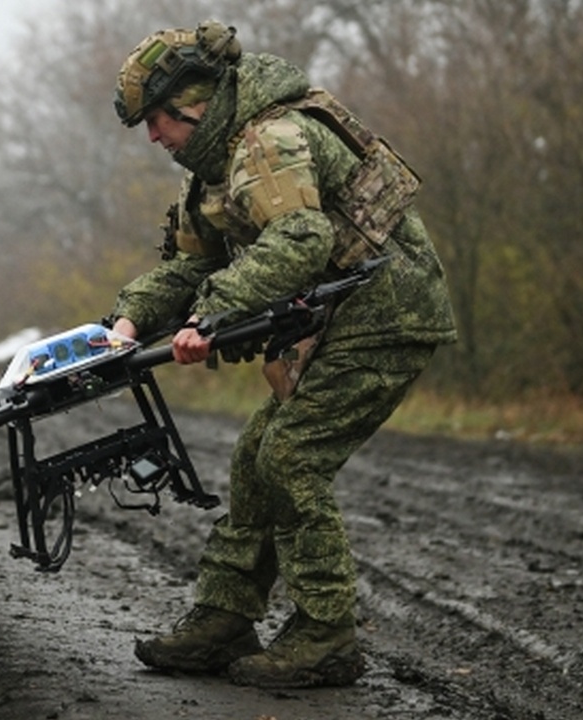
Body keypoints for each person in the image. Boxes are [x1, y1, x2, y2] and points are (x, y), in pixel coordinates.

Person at [106, 21, 458, 689]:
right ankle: (225, 616)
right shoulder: (210, 169)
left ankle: (326, 633)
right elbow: (188, 267)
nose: (153, 137)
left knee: (290, 456)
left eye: (156, 120)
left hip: (389, 311)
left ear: (196, 101)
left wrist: (213, 313)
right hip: (334, 319)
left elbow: (300, 237)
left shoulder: (272, 139)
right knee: (253, 455)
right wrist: (125, 323)